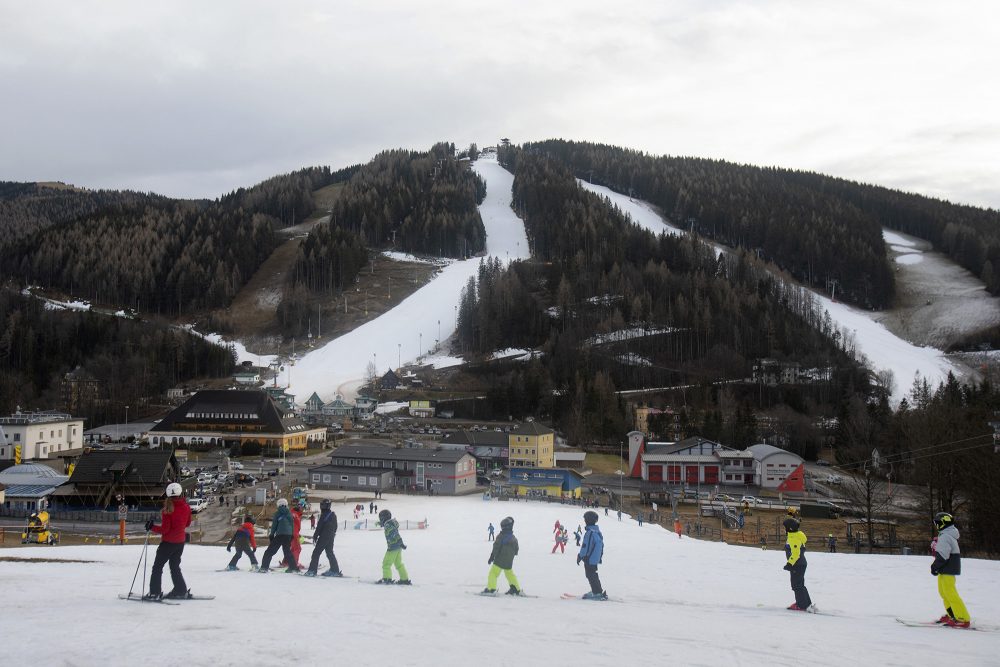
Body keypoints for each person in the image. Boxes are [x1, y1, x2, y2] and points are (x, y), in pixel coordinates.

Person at [144, 482, 192, 600]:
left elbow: (165, 530)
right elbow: (187, 523)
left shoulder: (168, 509)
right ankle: (180, 590)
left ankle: (155, 592)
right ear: (180, 492)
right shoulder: (186, 507)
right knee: (174, 566)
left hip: (168, 543)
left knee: (157, 567)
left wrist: (152, 527)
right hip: (180, 543)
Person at [931, 512, 970, 628]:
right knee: (944, 593)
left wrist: (934, 567)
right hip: (945, 569)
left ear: (943, 524)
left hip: (948, 569)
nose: (936, 525)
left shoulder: (945, 537)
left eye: (937, 523)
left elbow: (943, 555)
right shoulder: (945, 536)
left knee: (950, 594)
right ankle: (952, 615)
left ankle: (962, 618)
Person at [483, 516, 522, 595]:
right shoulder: (514, 538)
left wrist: (492, 556)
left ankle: (491, 588)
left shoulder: (500, 536)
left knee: (493, 573)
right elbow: (516, 550)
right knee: (509, 574)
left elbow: (496, 547)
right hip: (509, 561)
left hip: (499, 560)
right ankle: (515, 588)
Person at [259, 498, 298, 573]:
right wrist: (292, 534)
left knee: (269, 551)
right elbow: (292, 525)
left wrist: (271, 534)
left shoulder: (277, 513)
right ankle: (294, 568)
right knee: (287, 551)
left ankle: (264, 567)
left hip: (280, 535)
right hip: (288, 535)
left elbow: (274, 526)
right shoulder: (289, 513)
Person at [783, 516, 812, 612]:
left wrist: (789, 564)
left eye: (785, 527)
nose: (785, 529)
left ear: (789, 528)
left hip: (797, 564)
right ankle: (805, 603)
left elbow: (796, 553)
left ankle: (801, 605)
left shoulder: (794, 538)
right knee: (800, 584)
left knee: (796, 585)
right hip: (800, 564)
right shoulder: (795, 536)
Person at [306, 499, 341, 577]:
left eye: (323, 505)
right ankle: (335, 570)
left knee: (316, 553)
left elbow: (319, 527)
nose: (322, 507)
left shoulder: (324, 515)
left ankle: (312, 570)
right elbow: (335, 527)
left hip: (324, 536)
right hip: (331, 536)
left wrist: (315, 536)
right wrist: (332, 534)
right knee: (330, 553)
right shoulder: (333, 515)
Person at [577, 510, 607, 600]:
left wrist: (580, 556)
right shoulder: (597, 531)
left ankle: (597, 592)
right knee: (593, 574)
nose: (584, 521)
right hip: (594, 558)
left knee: (590, 574)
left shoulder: (590, 532)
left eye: (585, 519)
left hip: (589, 558)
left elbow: (586, 547)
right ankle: (597, 590)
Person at [377, 509, 410, 584]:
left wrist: (400, 542)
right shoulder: (390, 523)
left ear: (384, 518)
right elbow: (387, 525)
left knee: (386, 564)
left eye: (381, 518)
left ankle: (387, 578)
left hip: (393, 547)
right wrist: (380, 523)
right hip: (398, 548)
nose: (380, 520)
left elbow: (395, 534)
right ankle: (404, 579)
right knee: (398, 564)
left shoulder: (388, 525)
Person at [280, 501, 304, 571]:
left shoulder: (292, 513)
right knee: (297, 548)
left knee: (292, 549)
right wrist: (296, 534)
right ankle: (294, 564)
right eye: (302, 507)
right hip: (293, 533)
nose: (302, 509)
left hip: (290, 533)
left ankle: (286, 562)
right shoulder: (295, 515)